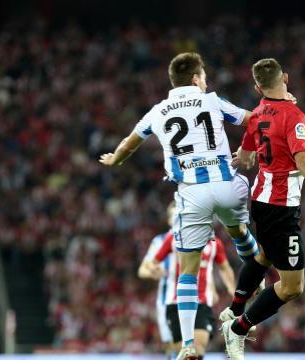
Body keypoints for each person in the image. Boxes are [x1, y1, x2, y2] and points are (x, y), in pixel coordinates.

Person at [99, 52, 262, 360]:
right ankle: (257, 273)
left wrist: (114, 160)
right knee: (238, 230)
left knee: (187, 270)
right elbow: (253, 119)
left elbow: (129, 143)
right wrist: (247, 151)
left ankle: (187, 343)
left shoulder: (157, 111)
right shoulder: (212, 100)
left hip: (192, 194)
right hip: (228, 184)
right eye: (205, 77)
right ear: (197, 79)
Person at [219, 58, 305, 359]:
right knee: (293, 287)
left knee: (265, 255)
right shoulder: (294, 116)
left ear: (258, 87)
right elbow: (303, 161)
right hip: (280, 207)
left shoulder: (256, 114)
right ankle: (238, 328)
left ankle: (234, 310)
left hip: (261, 200)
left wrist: (244, 159)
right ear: (287, 78)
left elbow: (245, 155)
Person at [147, 229, 236, 360]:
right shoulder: (173, 238)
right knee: (182, 353)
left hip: (202, 302)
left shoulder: (215, 244)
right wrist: (155, 270)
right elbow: (153, 262)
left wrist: (231, 288)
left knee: (198, 348)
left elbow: (225, 267)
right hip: (175, 303)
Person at [137, 203, 176, 356]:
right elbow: (142, 270)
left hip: (193, 299)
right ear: (168, 220)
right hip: (166, 301)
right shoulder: (159, 241)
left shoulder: (197, 239)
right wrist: (155, 272)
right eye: (173, 215)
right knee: (171, 345)